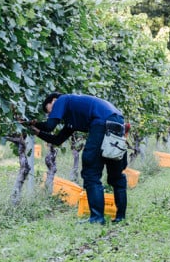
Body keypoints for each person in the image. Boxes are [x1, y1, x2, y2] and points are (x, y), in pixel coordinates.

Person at [28, 92, 128, 225]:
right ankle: (120, 217)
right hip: (117, 122)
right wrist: (38, 132)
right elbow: (58, 139)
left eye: (49, 110)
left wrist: (33, 123)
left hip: (101, 123)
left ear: (53, 100)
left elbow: (50, 125)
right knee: (116, 175)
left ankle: (97, 218)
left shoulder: (62, 99)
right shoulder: (73, 118)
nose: (50, 114)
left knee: (91, 172)